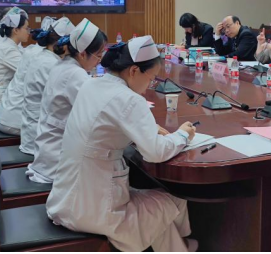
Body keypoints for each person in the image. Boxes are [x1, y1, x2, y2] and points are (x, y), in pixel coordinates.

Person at [46, 35, 198, 252]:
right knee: (172, 202)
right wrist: (182, 135)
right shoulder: (130, 99)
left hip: (67, 195)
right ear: (134, 71)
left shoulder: (92, 84)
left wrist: (142, 129)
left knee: (159, 214)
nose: (150, 85)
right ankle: (185, 245)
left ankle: (183, 247)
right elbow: (155, 152)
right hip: (91, 206)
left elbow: (105, 123)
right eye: (151, 78)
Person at [26, 18, 107, 183]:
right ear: (82, 53)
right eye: (98, 55)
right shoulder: (75, 74)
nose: (100, 60)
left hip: (48, 152)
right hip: (56, 161)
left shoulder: (63, 65)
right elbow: (100, 112)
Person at [19, 17, 75, 155]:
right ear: (64, 46)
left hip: (33, 131)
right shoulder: (51, 64)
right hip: (38, 140)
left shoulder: (43, 57)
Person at [0, 16, 55, 135]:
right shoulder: (44, 58)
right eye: (27, 28)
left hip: (6, 112)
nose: (29, 31)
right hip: (13, 119)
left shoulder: (31, 50)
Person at [0, 7, 30, 115]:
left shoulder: (8, 43)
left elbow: (25, 55)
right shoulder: (7, 49)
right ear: (16, 30)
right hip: (0, 104)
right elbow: (28, 72)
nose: (29, 32)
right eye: (26, 28)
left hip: (5, 98)